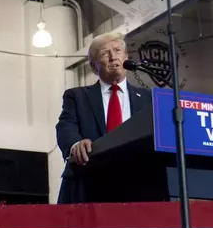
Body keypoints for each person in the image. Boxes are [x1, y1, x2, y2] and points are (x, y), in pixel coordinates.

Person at [55, 32, 152, 204]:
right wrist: (76, 145)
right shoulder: (77, 97)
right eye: (105, 53)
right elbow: (65, 126)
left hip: (138, 184)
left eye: (117, 50)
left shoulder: (148, 98)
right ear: (94, 66)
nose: (113, 57)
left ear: (126, 57)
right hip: (89, 183)